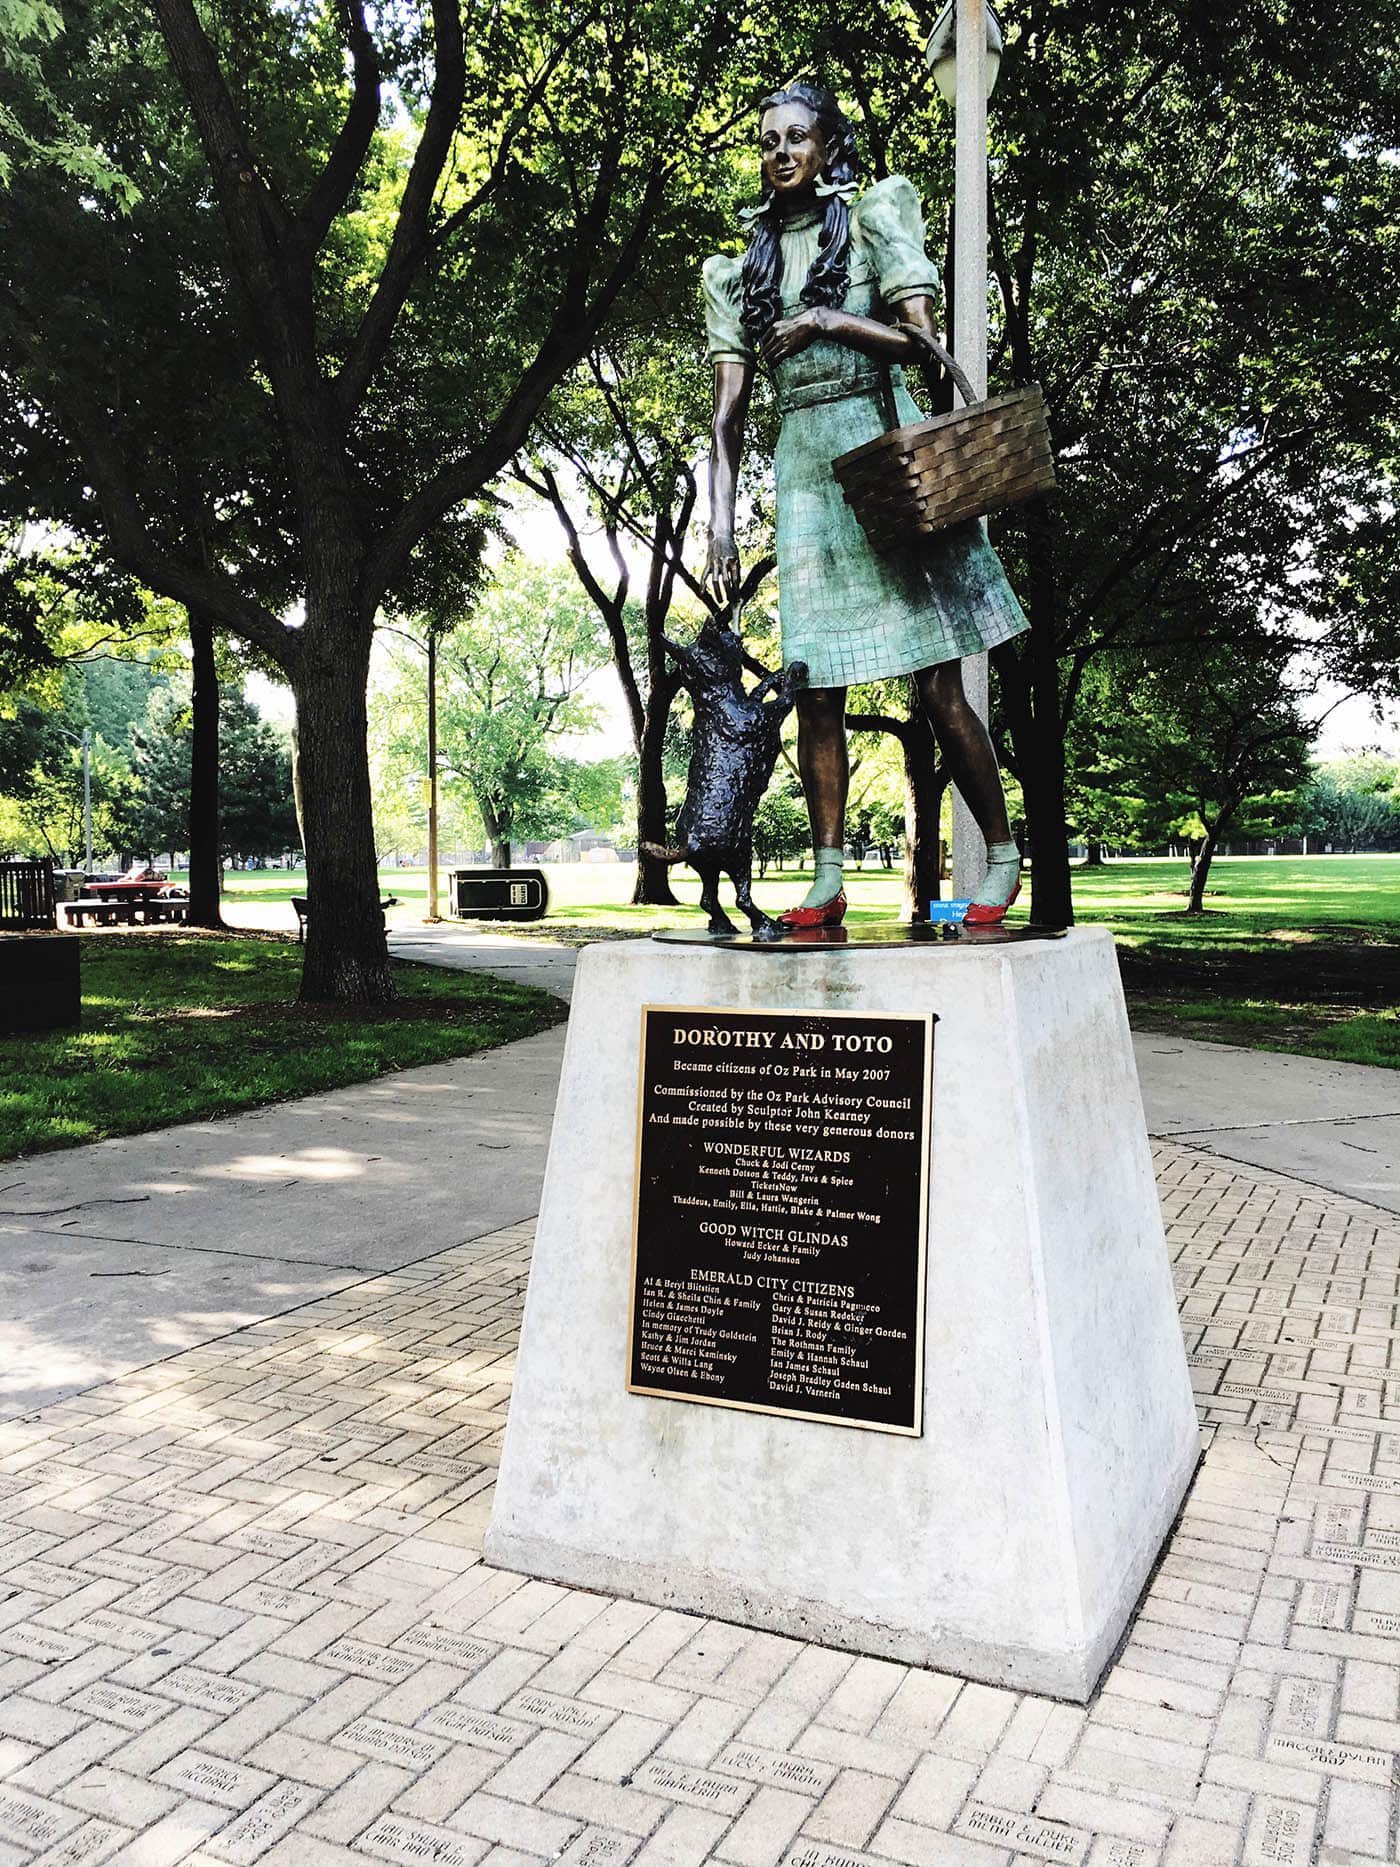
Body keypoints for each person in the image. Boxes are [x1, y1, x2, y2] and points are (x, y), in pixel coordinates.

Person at [702, 81, 1027, 928]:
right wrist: (718, 522)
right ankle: (828, 875)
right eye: (768, 139)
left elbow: (925, 347)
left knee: (939, 686)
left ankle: (1000, 854)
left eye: (798, 136)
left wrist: (826, 321)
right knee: (815, 689)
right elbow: (727, 414)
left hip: (886, 452)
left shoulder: (877, 213)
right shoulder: (736, 271)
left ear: (827, 147)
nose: (781, 151)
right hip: (805, 473)